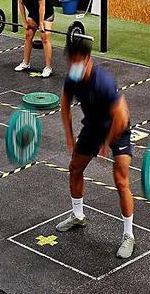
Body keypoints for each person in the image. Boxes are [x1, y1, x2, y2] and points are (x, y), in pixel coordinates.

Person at [55, 36, 135, 259]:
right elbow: (64, 104)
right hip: (92, 127)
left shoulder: (104, 81)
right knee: (74, 168)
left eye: (78, 60)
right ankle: (78, 216)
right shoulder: (72, 78)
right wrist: (70, 137)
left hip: (117, 128)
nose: (74, 65)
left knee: (121, 180)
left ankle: (128, 235)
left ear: (88, 59)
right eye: (71, 61)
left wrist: (107, 143)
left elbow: (121, 115)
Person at [14, 0, 55, 78]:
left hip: (46, 14)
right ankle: (25, 63)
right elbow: (20, 3)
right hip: (33, 13)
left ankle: (48, 67)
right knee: (28, 35)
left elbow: (42, 6)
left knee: (45, 38)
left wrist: (41, 23)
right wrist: (24, 20)